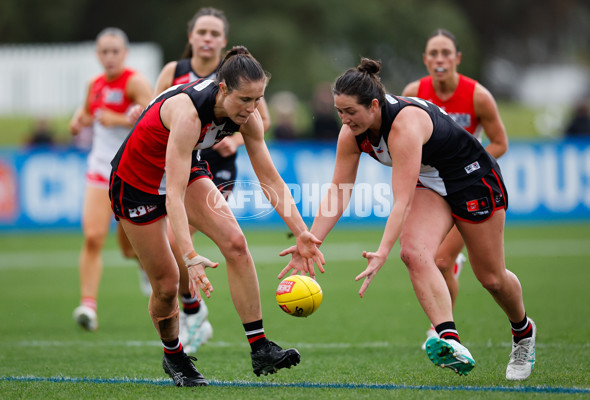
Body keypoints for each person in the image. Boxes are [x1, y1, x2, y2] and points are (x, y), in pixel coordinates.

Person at [279, 58, 536, 381]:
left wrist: (381, 252)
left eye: (350, 112)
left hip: (473, 179)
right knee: (413, 252)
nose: (344, 120)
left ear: (374, 105)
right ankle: (449, 338)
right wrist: (310, 240)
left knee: (491, 278)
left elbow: (401, 201)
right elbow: (338, 191)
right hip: (432, 182)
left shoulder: (404, 125)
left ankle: (523, 332)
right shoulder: (351, 133)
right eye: (339, 111)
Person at [110, 46, 325, 387]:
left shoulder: (248, 116)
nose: (251, 109)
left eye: (258, 99)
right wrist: (190, 255)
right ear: (223, 89)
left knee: (236, 243)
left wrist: (301, 232)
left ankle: (260, 348)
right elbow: (174, 194)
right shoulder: (188, 115)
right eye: (244, 100)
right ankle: (174, 355)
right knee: (167, 285)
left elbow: (270, 178)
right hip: (135, 183)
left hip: (182, 170)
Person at [127, 7, 272, 354]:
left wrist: (230, 139)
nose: (207, 39)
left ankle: (198, 316)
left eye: (214, 34)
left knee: (204, 242)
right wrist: (137, 113)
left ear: (224, 42)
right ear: (191, 37)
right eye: (202, 32)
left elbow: (257, 122)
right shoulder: (174, 73)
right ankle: (192, 307)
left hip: (213, 167)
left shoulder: (242, 80)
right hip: (166, 164)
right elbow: (155, 110)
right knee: (160, 252)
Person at [401, 28, 509, 347]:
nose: (439, 59)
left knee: (453, 265)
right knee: (432, 260)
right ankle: (443, 331)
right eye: (433, 53)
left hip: (466, 187)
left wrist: (468, 166)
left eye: (446, 52)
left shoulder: (478, 96)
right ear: (425, 59)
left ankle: (443, 329)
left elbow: (500, 142)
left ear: (457, 58)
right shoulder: (414, 92)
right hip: (431, 190)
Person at [69, 27, 153, 331]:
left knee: (129, 249)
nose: (109, 57)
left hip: (130, 173)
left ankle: (145, 268)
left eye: (115, 51)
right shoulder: (94, 84)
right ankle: (88, 305)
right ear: (97, 54)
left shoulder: (135, 81)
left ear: (125, 53)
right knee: (92, 237)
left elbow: (154, 116)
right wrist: (78, 119)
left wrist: (119, 119)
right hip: (99, 169)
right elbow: (91, 111)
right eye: (104, 51)